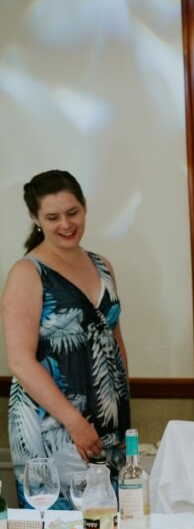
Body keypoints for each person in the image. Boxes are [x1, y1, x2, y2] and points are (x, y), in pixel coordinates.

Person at [2, 170, 130, 507]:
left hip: (107, 421)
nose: (66, 224)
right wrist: (74, 422)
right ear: (36, 219)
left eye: (73, 212)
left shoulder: (102, 265)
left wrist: (122, 414)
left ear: (85, 206)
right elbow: (20, 361)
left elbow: (114, 341)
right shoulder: (27, 273)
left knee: (111, 523)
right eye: (52, 217)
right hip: (52, 425)